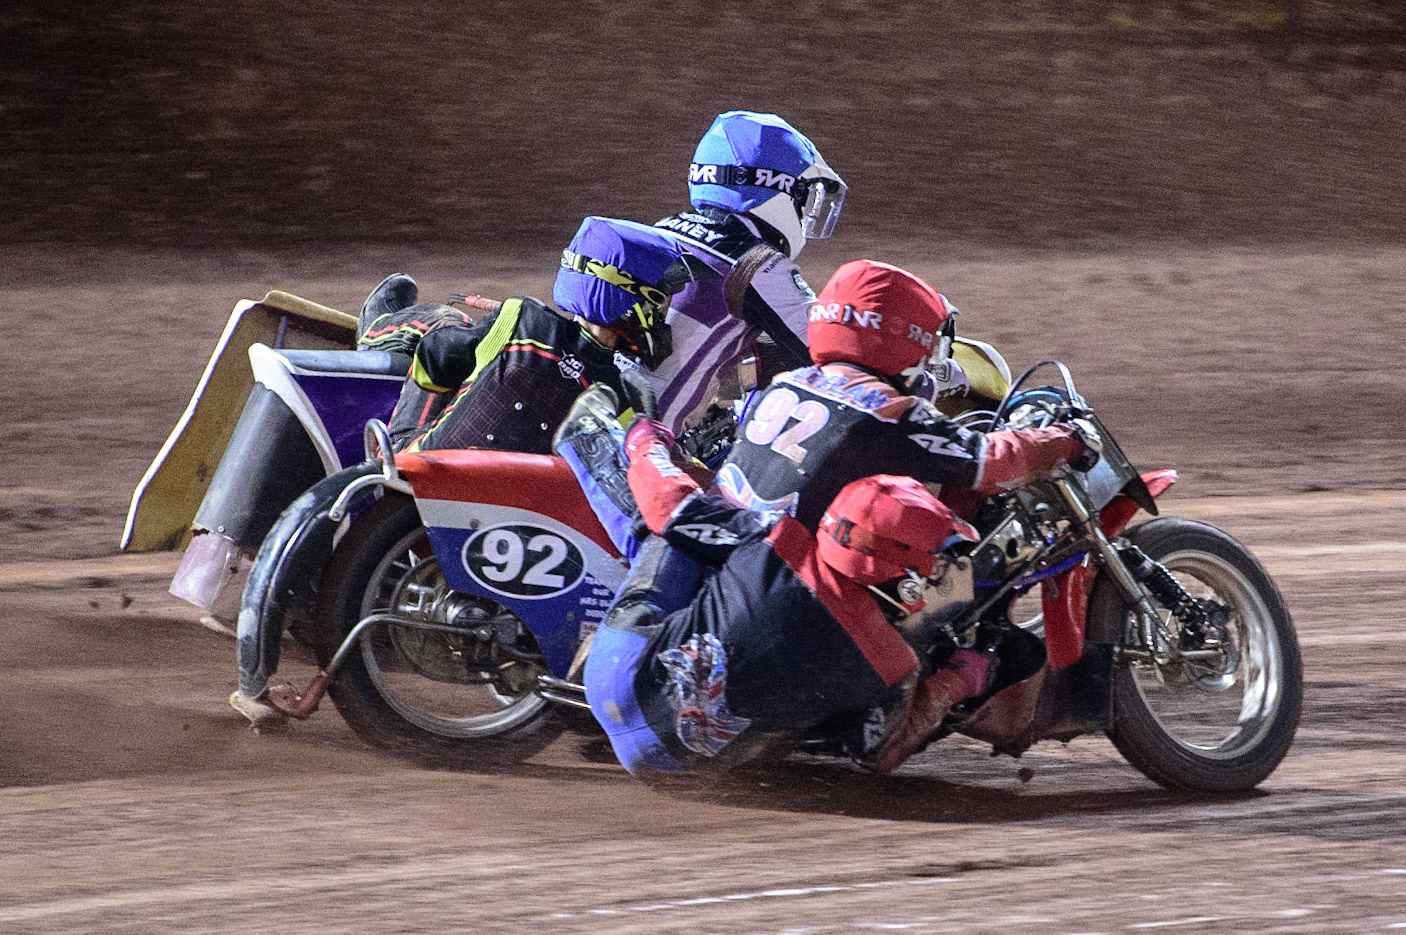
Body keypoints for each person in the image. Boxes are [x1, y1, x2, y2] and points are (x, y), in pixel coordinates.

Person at [573, 387, 989, 776]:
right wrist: (957, 680)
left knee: (679, 533)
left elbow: (669, 503)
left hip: (612, 681)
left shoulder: (776, 537)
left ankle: (584, 441)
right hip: (687, 766)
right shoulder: (895, 662)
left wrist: (646, 441)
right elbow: (875, 753)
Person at [716, 258, 1100, 529]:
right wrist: (1066, 440)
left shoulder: (783, 385)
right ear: (903, 337)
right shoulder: (888, 412)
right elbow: (991, 461)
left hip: (732, 562)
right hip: (799, 589)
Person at [383, 216, 692, 455]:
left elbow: (430, 363)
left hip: (417, 473)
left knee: (447, 321)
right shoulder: (623, 399)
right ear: (627, 300)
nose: (659, 315)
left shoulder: (520, 318)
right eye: (656, 302)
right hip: (514, 523)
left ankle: (382, 326)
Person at [646, 111, 848, 433]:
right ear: (777, 188)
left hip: (601, 414)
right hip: (650, 448)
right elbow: (836, 355)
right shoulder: (755, 265)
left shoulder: (660, 231)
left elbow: (680, 348)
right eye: (803, 197)